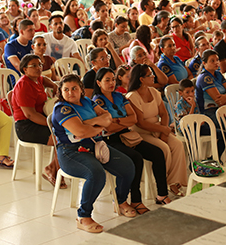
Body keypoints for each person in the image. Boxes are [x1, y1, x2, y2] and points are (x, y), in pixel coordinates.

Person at [52, 74, 135, 232]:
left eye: (74, 88)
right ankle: (83, 216)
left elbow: (108, 117)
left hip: (95, 145)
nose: (70, 92)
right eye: (66, 90)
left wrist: (90, 123)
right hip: (71, 152)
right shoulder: (62, 109)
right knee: (96, 173)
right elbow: (81, 131)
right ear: (61, 92)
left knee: (127, 166)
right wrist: (98, 126)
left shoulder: (87, 101)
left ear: (81, 90)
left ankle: (120, 201)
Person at [92, 67, 170, 213]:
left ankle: (162, 194)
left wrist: (117, 121)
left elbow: (133, 118)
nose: (111, 83)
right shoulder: (97, 102)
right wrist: (120, 122)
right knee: (136, 158)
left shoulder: (120, 96)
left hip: (127, 135)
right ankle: (135, 200)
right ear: (99, 82)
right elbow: (108, 128)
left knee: (157, 153)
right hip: (109, 140)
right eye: (107, 80)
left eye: (113, 79)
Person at [127, 64, 188, 196]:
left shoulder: (154, 92)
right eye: (150, 75)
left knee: (177, 145)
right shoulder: (132, 96)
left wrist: (164, 131)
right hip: (141, 132)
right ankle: (163, 184)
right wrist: (163, 130)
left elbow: (164, 113)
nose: (153, 76)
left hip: (158, 128)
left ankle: (174, 181)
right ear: (141, 79)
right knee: (163, 148)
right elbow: (141, 122)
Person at [11, 54, 61, 186]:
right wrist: (51, 124)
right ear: (24, 69)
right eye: (34, 66)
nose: (38, 68)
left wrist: (54, 86)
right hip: (26, 126)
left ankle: (53, 167)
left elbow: (44, 79)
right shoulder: (23, 85)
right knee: (60, 137)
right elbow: (30, 115)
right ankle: (54, 169)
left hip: (39, 120)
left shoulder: (37, 79)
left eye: (40, 64)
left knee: (65, 133)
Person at [195, 50, 226, 156]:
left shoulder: (218, 74)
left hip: (223, 109)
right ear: (204, 63)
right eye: (212, 61)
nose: (216, 63)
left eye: (217, 60)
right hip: (209, 113)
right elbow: (218, 100)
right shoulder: (205, 77)